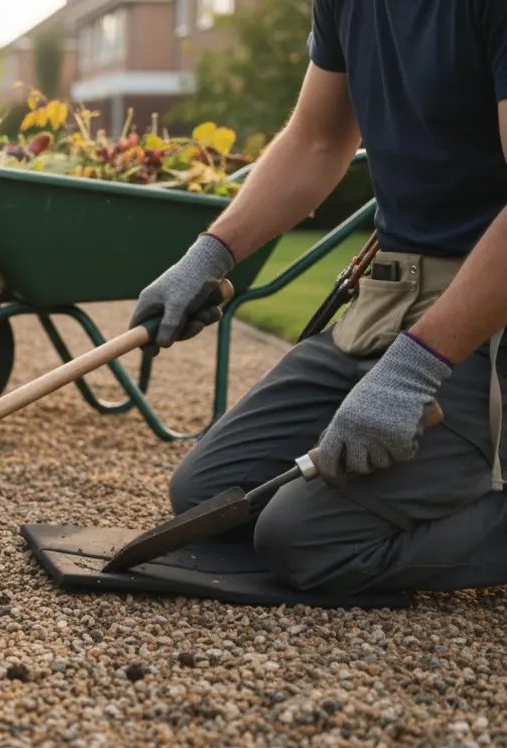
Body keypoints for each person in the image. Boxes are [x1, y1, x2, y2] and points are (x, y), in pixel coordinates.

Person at [129, 0, 507, 597]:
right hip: (386, 300)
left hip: (484, 326)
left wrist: (413, 370)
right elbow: (317, 140)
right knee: (206, 495)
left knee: (304, 541)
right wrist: (208, 256)